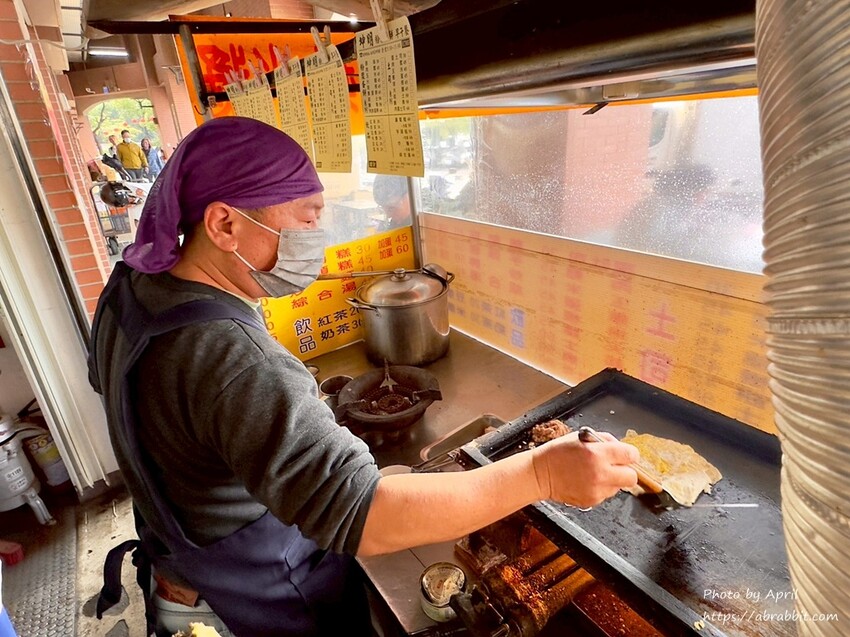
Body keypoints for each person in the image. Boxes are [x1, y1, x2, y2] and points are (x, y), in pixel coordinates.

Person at [88, 117, 639, 637]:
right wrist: (541, 476)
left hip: (179, 574)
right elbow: (366, 516)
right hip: (257, 606)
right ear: (225, 224)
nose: (316, 236)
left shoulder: (130, 290)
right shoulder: (235, 358)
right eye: (306, 217)